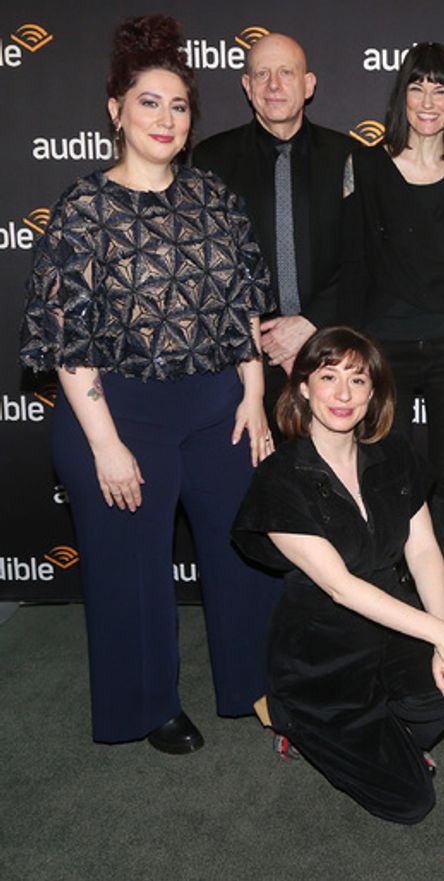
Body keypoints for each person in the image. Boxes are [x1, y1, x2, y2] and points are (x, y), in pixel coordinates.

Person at [18, 15, 281, 753]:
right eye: (149, 102)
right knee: (131, 568)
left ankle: (255, 682)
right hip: (118, 410)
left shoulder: (214, 198)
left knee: (245, 547)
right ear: (116, 110)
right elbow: (67, 342)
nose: (165, 119)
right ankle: (146, 705)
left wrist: (255, 396)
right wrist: (104, 444)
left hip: (218, 404)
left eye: (179, 105)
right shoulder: (84, 209)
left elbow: (242, 310)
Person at [232, 326, 444, 823]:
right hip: (322, 654)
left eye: (359, 381)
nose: (344, 395)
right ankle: (297, 726)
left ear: (374, 394)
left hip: (390, 626)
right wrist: (442, 635)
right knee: (411, 802)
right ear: (303, 387)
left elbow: (425, 550)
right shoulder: (280, 479)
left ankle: (385, 733)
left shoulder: (393, 455)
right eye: (329, 377)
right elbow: (339, 587)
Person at [338, 43, 444, 579]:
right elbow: (353, 261)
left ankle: (437, 593)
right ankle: (388, 589)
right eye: (417, 86)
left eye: (440, 88)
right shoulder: (367, 166)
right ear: (402, 95)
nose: (427, 100)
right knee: (386, 470)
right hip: (386, 345)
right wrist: (354, 348)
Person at [192, 32, 355, 381]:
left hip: (333, 348)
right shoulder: (210, 160)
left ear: (308, 85)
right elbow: (206, 264)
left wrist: (310, 323)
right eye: (262, 74)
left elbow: (365, 255)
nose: (274, 85)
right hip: (241, 357)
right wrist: (263, 335)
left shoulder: (349, 156)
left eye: (286, 73)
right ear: (247, 86)